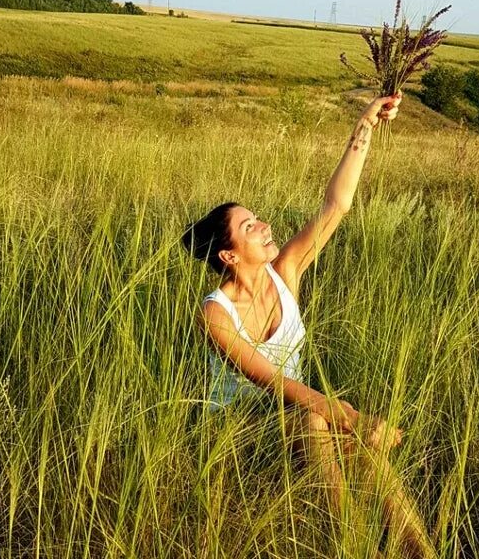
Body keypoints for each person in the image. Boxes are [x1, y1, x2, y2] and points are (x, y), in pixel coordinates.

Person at [183, 93, 436, 558]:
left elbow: (335, 205)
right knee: (318, 417)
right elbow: (273, 382)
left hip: (301, 415)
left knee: (356, 447)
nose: (263, 226)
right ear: (229, 255)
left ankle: (417, 549)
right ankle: (350, 544)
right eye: (249, 226)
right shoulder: (215, 315)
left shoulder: (286, 273)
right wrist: (355, 419)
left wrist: (366, 124)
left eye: (257, 218)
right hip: (239, 431)